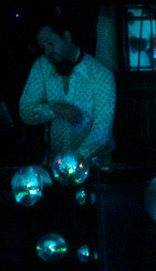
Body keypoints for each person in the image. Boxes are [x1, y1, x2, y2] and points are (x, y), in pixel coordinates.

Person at [19, 10, 116, 163]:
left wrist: (70, 163)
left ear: (67, 37)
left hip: (92, 165)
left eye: (51, 43)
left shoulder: (101, 76)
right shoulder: (42, 67)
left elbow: (100, 133)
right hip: (53, 163)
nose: (47, 52)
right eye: (43, 47)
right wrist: (55, 108)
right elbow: (25, 111)